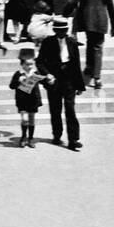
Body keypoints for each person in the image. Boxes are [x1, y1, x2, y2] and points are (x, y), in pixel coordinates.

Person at [65, 0, 114, 90]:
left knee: (90, 43)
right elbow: (111, 8)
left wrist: (65, 13)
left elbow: (72, 2)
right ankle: (97, 77)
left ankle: (89, 68)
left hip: (87, 21)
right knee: (98, 48)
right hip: (101, 22)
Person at [37, 17, 85, 150]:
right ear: (54, 30)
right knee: (55, 109)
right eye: (59, 31)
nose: (62, 33)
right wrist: (47, 74)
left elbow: (76, 64)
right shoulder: (48, 42)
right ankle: (57, 135)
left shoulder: (72, 42)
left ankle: (73, 139)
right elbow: (39, 61)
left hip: (69, 79)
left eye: (64, 30)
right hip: (54, 80)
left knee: (70, 109)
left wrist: (80, 85)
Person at [8, 49, 45, 149]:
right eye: (27, 64)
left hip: (33, 99)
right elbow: (11, 86)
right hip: (22, 100)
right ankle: (23, 136)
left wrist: (45, 79)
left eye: (31, 64)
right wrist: (18, 81)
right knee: (24, 119)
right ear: (22, 64)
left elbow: (42, 81)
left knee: (32, 119)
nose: (30, 67)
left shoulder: (35, 72)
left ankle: (31, 138)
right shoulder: (18, 74)